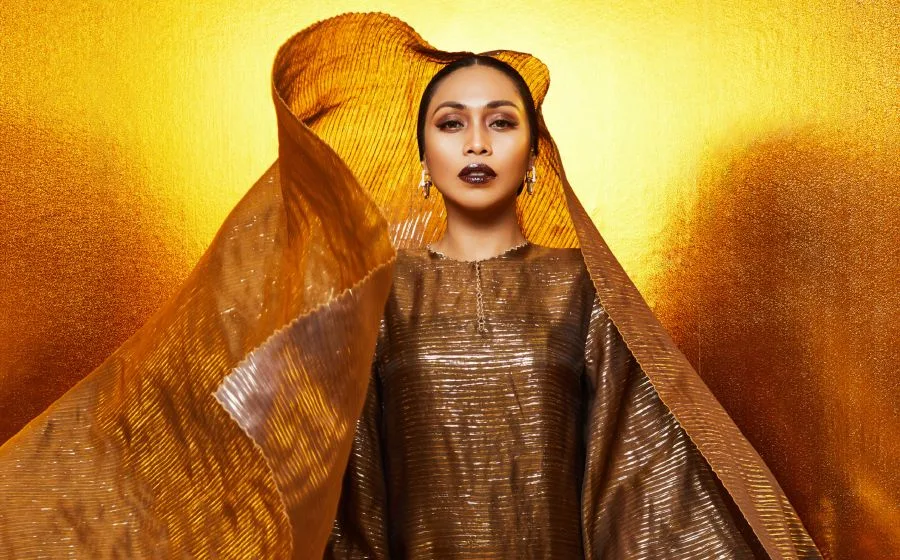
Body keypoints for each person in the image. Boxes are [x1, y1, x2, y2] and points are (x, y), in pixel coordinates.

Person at [0, 12, 819, 559]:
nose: (476, 142)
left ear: (534, 153)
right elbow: (341, 492)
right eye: (451, 123)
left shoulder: (581, 291)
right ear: (424, 157)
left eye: (501, 122)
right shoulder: (381, 296)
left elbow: (639, 482)